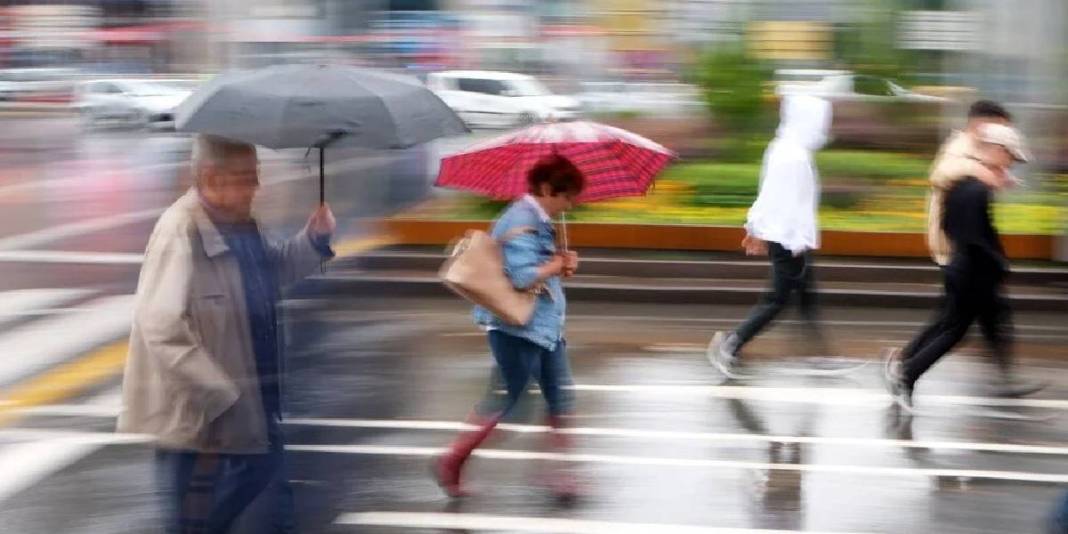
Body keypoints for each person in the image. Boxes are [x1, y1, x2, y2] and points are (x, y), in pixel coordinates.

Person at [117, 134, 336, 533]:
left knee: (267, 498)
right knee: (194, 518)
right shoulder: (180, 231)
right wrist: (221, 395)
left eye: (255, 175)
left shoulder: (241, 225)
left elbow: (275, 270)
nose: (256, 187)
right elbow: (161, 325)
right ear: (210, 179)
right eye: (246, 177)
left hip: (253, 399)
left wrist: (314, 239)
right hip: (203, 420)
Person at [434, 155, 582, 499]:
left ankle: (561, 475)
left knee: (561, 396)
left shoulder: (538, 220)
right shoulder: (521, 220)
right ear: (547, 188)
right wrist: (556, 265)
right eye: (567, 196)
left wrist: (561, 264)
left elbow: (538, 269)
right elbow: (520, 276)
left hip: (544, 328)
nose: (570, 204)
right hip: (517, 330)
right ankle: (452, 461)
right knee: (507, 400)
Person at [886, 101, 1042, 400]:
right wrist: (997, 263)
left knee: (956, 324)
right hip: (968, 265)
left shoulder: (972, 181)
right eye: (1009, 155)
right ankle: (906, 372)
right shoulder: (969, 176)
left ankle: (907, 370)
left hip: (965, 264)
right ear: (994, 145)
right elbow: (974, 233)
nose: (1010, 164)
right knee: (954, 327)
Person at [707, 94, 833, 377]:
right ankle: (732, 343)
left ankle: (818, 355)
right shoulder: (795, 156)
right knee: (777, 300)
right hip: (789, 239)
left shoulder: (783, 148)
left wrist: (755, 226)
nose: (823, 129)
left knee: (806, 298)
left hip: (789, 236)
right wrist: (793, 240)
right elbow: (787, 202)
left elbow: (769, 194)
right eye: (820, 122)